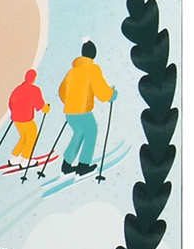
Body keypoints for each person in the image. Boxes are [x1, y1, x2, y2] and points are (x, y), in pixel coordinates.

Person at [58, 39, 116, 175]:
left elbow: (61, 91)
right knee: (91, 132)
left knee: (78, 133)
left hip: (70, 112)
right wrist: (111, 95)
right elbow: (102, 91)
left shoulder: (72, 71)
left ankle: (66, 165)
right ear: (94, 54)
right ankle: (83, 165)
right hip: (83, 111)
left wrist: (70, 102)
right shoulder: (92, 70)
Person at [7, 69, 48, 164]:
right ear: (34, 79)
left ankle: (14, 157)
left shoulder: (18, 89)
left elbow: (11, 103)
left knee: (24, 137)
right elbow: (39, 104)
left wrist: (15, 112)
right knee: (31, 136)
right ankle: (26, 159)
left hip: (16, 119)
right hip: (26, 119)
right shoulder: (34, 89)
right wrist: (46, 108)